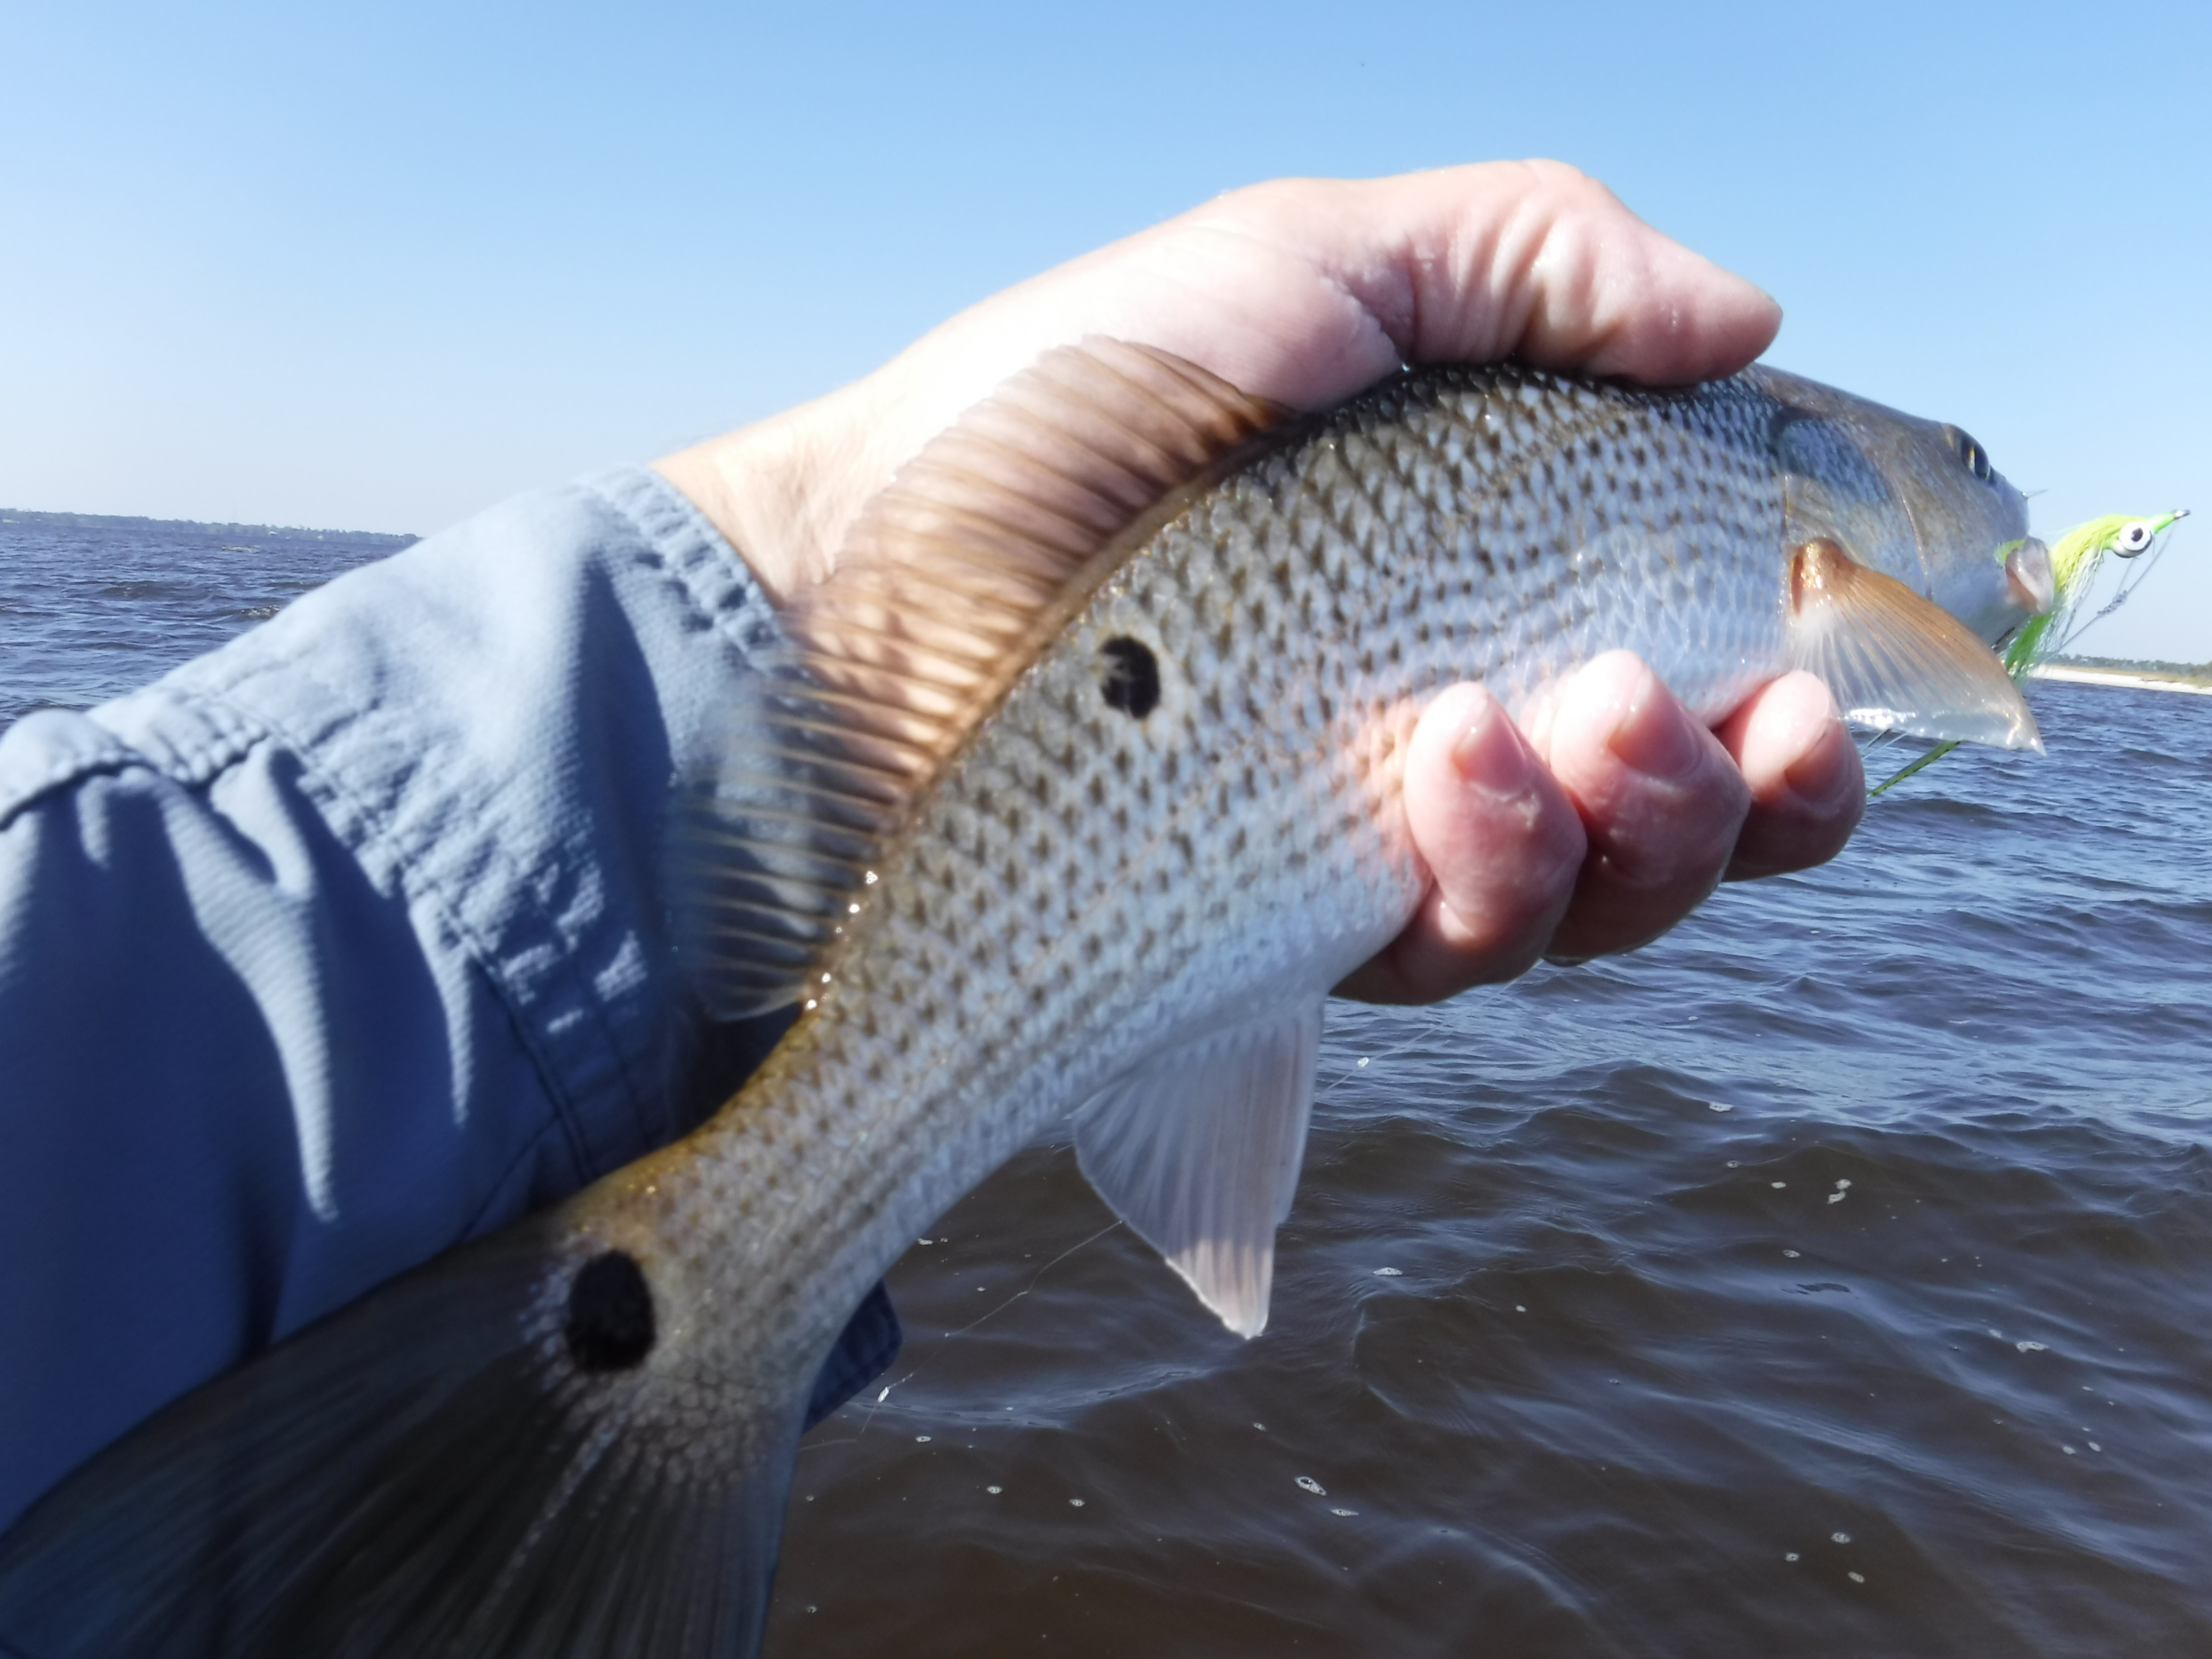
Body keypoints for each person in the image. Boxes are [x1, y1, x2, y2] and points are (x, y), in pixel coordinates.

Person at [0, 160, 1863, 1535]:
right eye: (1950, 453)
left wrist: (801, 573)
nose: (1985, 494)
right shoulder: (1785, 459)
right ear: (1843, 485)